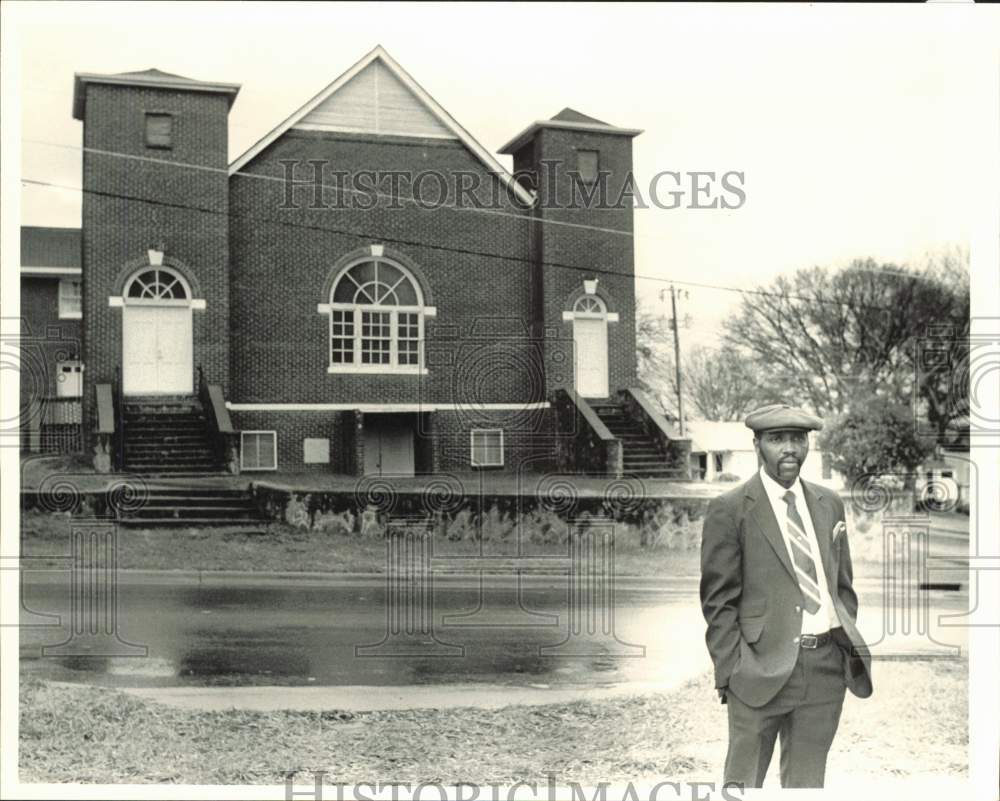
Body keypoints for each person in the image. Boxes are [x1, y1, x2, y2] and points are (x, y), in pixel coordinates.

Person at [699, 403, 873, 788]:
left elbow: (842, 586)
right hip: (758, 672)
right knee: (743, 787)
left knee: (807, 786)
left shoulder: (829, 503)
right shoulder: (730, 509)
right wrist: (733, 670)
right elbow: (718, 602)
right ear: (757, 443)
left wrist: (842, 646)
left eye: (797, 438)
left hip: (825, 670)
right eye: (777, 439)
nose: (789, 448)